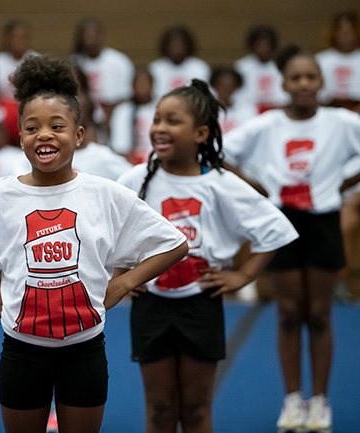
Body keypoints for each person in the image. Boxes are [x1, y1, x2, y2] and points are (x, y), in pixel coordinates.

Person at [0, 55, 188, 433]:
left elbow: (173, 244)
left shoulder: (104, 194)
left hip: (84, 348)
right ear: (19, 137)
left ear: (79, 135)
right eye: (32, 127)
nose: (45, 135)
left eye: (58, 126)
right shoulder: (1, 196)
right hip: (22, 349)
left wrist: (123, 283)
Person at [117, 80, 297, 433]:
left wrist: (244, 275)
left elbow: (274, 229)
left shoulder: (220, 183)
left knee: (197, 409)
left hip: (200, 306)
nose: (160, 128)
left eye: (173, 121)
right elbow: (105, 233)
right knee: (160, 408)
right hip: (151, 306)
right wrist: (121, 275)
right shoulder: (133, 181)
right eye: (156, 120)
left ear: (201, 133)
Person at [223, 45, 360, 433]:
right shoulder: (268, 125)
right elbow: (220, 154)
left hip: (324, 221)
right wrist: (257, 187)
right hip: (283, 223)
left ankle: (321, 401)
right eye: (296, 78)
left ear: (322, 82)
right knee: (290, 313)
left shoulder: (341, 122)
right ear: (284, 84)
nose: (304, 84)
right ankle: (293, 399)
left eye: (311, 77)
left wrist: (346, 183)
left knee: (319, 314)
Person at [316, 10, 360, 119]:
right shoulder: (322, 59)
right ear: (334, 33)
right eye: (341, 31)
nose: (346, 36)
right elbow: (317, 96)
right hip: (328, 111)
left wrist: (357, 114)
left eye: (350, 31)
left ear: (358, 32)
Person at [70, 17, 135, 128]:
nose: (90, 40)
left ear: (101, 36)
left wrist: (110, 110)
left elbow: (128, 95)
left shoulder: (119, 62)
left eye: (93, 36)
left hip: (115, 113)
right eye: (86, 36)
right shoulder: (75, 62)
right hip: (85, 116)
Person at [233, 25, 289, 114]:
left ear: (273, 45)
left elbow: (285, 91)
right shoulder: (242, 66)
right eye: (259, 44)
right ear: (252, 45)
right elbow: (238, 94)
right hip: (250, 111)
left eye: (267, 44)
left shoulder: (282, 65)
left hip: (278, 110)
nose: (263, 48)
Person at [109, 67, 159, 164]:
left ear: (152, 85)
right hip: (128, 163)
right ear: (132, 85)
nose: (142, 87)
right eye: (138, 83)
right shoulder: (122, 110)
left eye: (145, 83)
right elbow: (119, 146)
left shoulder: (160, 109)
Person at [148, 26, 210, 101]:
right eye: (173, 45)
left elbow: (202, 95)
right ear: (165, 46)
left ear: (188, 46)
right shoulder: (155, 68)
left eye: (180, 45)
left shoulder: (199, 67)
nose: (176, 49)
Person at [0, 19, 39, 100]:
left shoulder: (37, 60)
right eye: (16, 37)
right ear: (8, 38)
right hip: (4, 107)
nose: (20, 41)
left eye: (23, 37)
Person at [209, 67, 257, 134]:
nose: (225, 90)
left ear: (237, 87)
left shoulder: (247, 109)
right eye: (222, 86)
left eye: (230, 86)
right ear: (214, 86)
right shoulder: (208, 110)